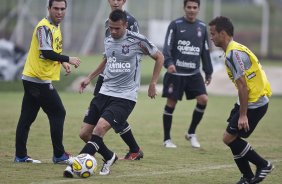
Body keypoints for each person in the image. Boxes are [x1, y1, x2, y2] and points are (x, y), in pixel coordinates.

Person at [63, 9, 164, 177]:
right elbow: (108, 59)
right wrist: (90, 77)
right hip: (104, 92)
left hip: (124, 97)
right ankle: (109, 156)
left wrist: (153, 83)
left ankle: (76, 164)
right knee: (84, 134)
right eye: (111, 28)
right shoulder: (109, 39)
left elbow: (159, 57)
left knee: (99, 129)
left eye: (117, 28)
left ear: (125, 25)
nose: (113, 31)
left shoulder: (137, 41)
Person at [209, 16, 274, 184]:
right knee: (231, 138)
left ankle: (263, 164)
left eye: (213, 33)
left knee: (229, 138)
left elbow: (243, 86)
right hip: (251, 101)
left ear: (223, 34)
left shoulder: (232, 54)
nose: (211, 37)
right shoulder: (236, 48)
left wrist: (243, 114)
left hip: (254, 103)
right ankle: (247, 177)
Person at [15, 0, 81, 164]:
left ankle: (21, 156)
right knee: (58, 112)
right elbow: (45, 52)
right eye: (56, 8)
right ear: (49, 8)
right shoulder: (44, 27)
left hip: (33, 79)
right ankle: (59, 155)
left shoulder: (55, 27)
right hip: (37, 80)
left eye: (62, 9)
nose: (59, 12)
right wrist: (68, 59)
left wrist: (61, 62)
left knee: (27, 118)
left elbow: (52, 51)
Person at [80, 0, 143, 161]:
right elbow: (109, 55)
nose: (115, 1)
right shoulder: (107, 22)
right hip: (106, 78)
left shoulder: (131, 22)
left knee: (108, 118)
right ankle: (131, 150)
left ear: (124, 1)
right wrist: (90, 77)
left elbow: (135, 51)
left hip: (121, 82)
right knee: (106, 117)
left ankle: (92, 156)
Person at [161, 0, 213, 148]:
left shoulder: (202, 27)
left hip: (194, 73)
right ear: (184, 8)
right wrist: (169, 63)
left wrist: (208, 71)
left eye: (194, 7)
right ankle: (167, 139)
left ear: (198, 9)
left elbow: (205, 51)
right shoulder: (175, 24)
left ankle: (191, 133)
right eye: (189, 7)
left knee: (203, 99)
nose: (191, 10)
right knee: (171, 104)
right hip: (176, 73)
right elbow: (167, 46)